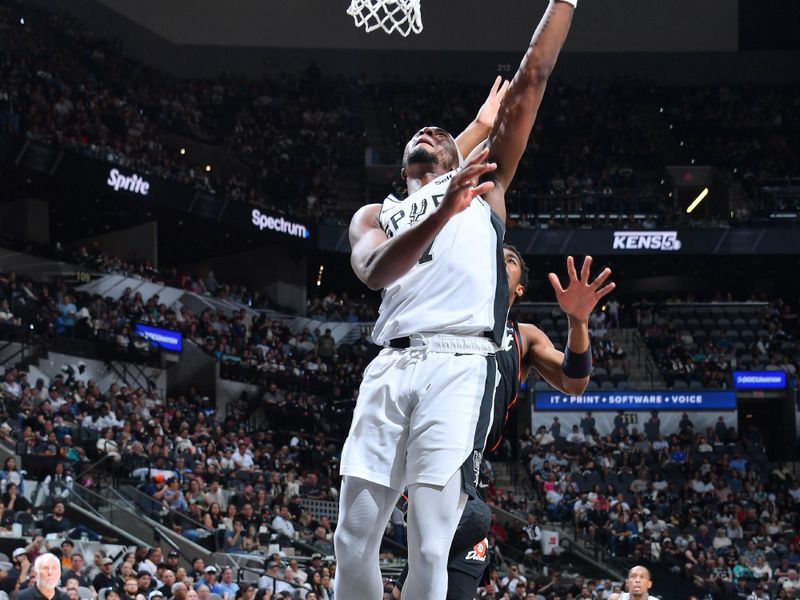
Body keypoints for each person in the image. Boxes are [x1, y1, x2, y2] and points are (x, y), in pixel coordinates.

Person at [334, 1, 577, 597]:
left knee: (430, 545)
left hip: (460, 364)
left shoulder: (486, 192)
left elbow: (532, 80)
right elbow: (372, 271)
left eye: (442, 136)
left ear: (459, 158)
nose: (427, 134)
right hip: (390, 362)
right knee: (350, 538)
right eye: (418, 135)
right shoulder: (378, 214)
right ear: (407, 168)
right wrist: (443, 208)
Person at [393, 246, 612, 599]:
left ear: (520, 288)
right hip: (429, 457)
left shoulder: (525, 336)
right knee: (469, 521)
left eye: (509, 260)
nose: (499, 260)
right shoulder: (451, 316)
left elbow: (575, 381)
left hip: (472, 473)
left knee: (469, 536)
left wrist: (578, 321)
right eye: (493, 254)